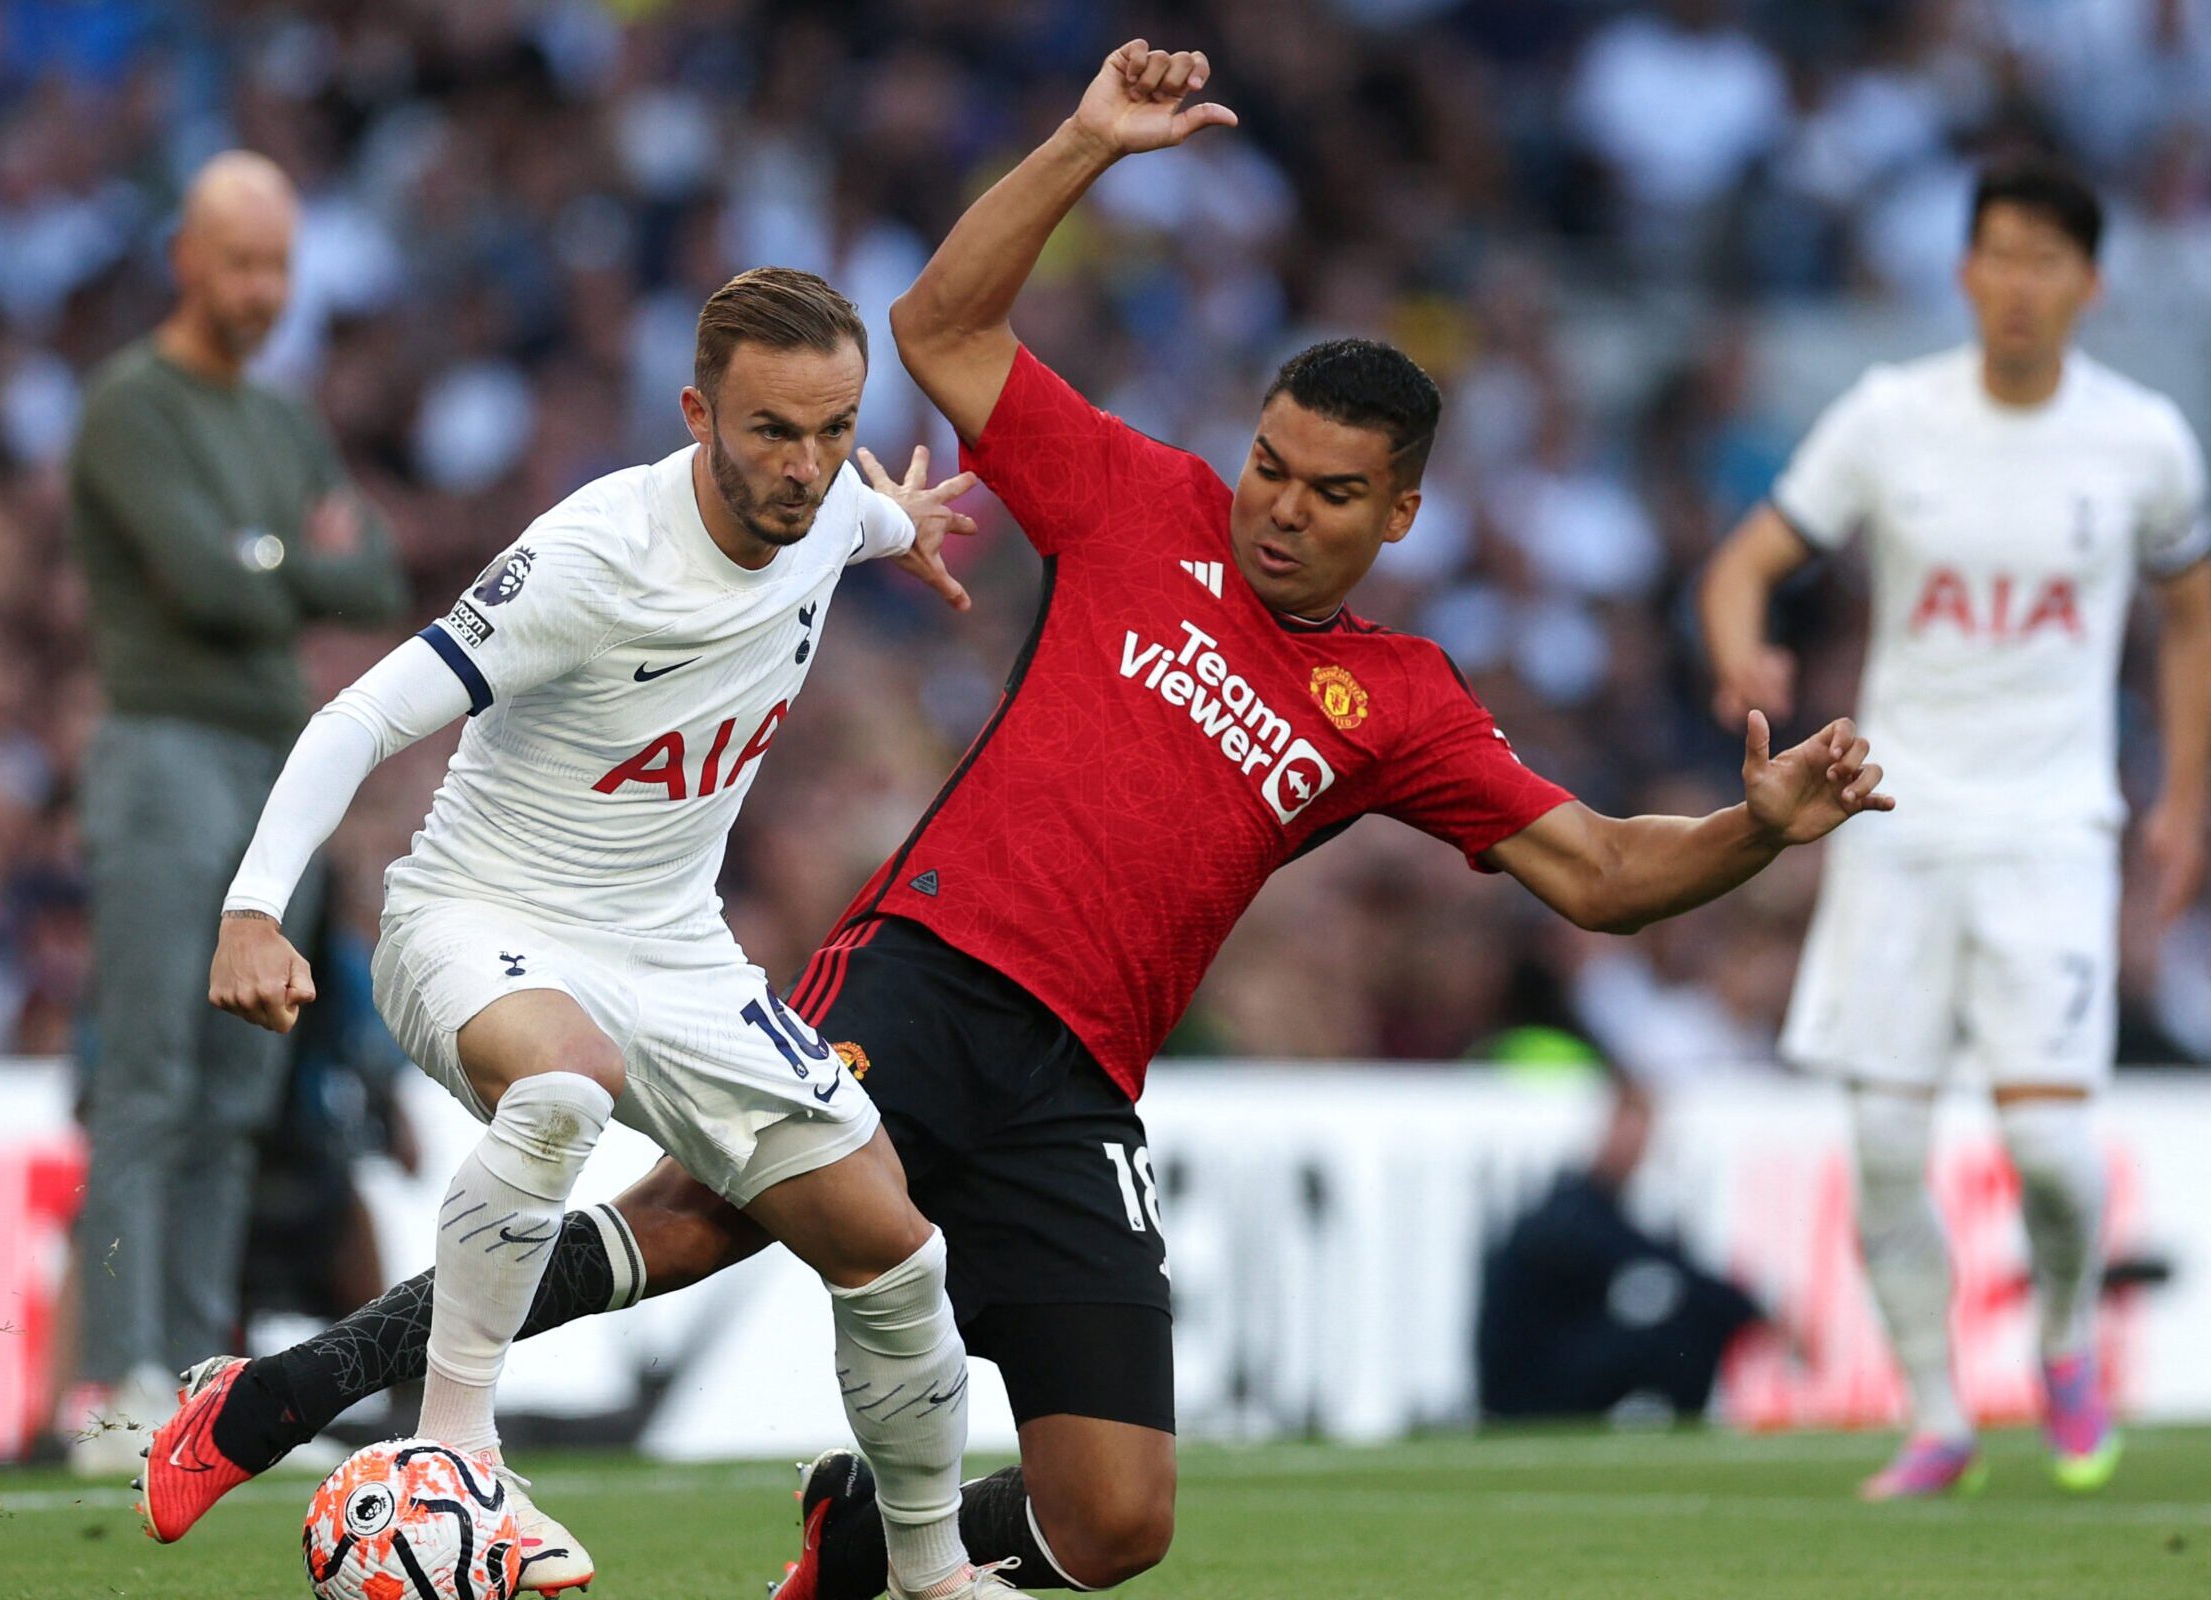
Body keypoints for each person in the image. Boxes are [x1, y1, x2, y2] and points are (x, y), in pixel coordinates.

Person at [151, 42, 1890, 1597]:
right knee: (700, 1218)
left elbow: (1593, 870)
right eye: (1272, 463)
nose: (1282, 508)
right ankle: (304, 1392)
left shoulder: (1402, 702)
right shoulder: (1145, 506)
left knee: (1117, 1520)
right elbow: (939, 333)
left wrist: (1755, 830)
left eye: (1331, 491)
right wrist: (1081, 145)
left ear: (1405, 512)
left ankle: (866, 1550)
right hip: (923, 971)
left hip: (1081, 1082)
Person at [149, 266, 1001, 1600]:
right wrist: (253, 907)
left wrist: (906, 516)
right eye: (774, 430)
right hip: (482, 917)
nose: (808, 463)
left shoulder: (832, 507)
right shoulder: (593, 556)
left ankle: (931, 1574)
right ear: (695, 413)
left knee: (895, 1253)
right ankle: (457, 1461)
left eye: (836, 427)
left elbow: (863, 518)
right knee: (562, 1082)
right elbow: (356, 721)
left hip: (678, 953)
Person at [1699, 157, 2210, 1500]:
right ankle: (1937, 1417)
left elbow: (2194, 608)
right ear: (1965, 271)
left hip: (2052, 826)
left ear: (2089, 283)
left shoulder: (2145, 440)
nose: (2018, 283)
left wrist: (2186, 799)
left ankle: (2059, 1339)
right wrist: (1742, 650)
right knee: (1878, 1146)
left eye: (2046, 258)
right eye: (1997, 254)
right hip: (1893, 819)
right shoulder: (1890, 418)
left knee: (2048, 1150)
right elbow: (1745, 561)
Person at [63, 150, 411, 1474]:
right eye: (241, 263)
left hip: (283, 776)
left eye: (279, 265)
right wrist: (290, 560)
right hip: (165, 752)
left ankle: (201, 1381)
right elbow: (211, 590)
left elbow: (370, 568)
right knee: (150, 1076)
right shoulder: (131, 407)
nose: (263, 290)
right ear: (185, 262)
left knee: (241, 1093)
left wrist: (274, 559)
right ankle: (124, 1381)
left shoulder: (281, 421)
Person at [1475, 1077, 1768, 1421]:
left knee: (1686, 1320)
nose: (1638, 1149)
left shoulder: (1585, 1205)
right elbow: (1660, 1264)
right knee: (1679, 1333)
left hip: (1544, 1369)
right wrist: (1756, 1312)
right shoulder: (1575, 1211)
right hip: (1525, 1387)